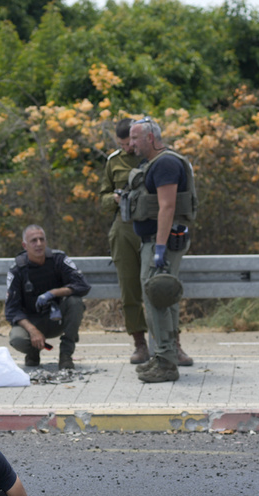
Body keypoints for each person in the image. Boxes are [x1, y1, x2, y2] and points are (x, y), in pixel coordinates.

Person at [125, 116, 196, 383]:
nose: (130, 143)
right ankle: (164, 357)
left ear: (150, 138)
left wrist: (160, 248)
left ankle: (166, 361)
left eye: (134, 138)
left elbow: (167, 207)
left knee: (157, 296)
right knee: (161, 297)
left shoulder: (165, 163)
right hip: (154, 240)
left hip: (160, 241)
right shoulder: (153, 163)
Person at [5, 225, 91, 370]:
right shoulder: (18, 269)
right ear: (25, 245)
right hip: (32, 321)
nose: (38, 244)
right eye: (33, 241)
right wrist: (32, 330)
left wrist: (54, 293)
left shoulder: (59, 259)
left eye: (41, 239)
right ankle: (33, 351)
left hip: (57, 319)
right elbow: (12, 310)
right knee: (17, 339)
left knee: (75, 302)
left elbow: (83, 285)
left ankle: (66, 355)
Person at [99, 118, 148, 364]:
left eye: (131, 142)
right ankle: (140, 343)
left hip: (152, 226)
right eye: (123, 144)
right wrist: (115, 199)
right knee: (130, 290)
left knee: (160, 288)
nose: (129, 148)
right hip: (125, 227)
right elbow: (102, 198)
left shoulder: (156, 157)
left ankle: (171, 342)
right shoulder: (114, 161)